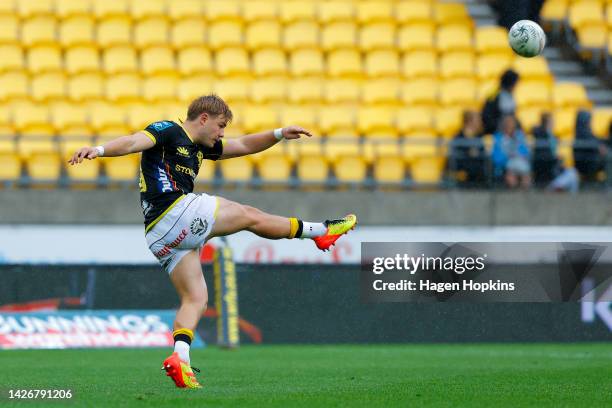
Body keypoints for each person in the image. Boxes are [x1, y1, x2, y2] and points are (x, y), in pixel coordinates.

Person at [68, 94, 357, 389]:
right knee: (249, 215)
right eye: (220, 126)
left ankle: (180, 359)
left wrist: (280, 134)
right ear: (203, 118)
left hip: (158, 235)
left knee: (195, 299)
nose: (222, 133)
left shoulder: (201, 149)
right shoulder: (169, 130)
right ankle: (321, 232)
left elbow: (244, 145)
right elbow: (132, 142)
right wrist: (99, 150)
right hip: (174, 211)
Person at [492, 115, 531, 189]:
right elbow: (496, 156)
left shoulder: (519, 136)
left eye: (511, 124)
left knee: (525, 175)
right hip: (505, 163)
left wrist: (519, 155)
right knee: (511, 174)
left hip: (519, 161)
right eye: (507, 124)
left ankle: (524, 193)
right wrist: (507, 158)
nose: (509, 126)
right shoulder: (498, 138)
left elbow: (525, 152)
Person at [449, 111, 486, 186]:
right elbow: (456, 158)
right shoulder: (458, 137)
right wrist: (469, 153)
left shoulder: (479, 137)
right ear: (469, 122)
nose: (480, 123)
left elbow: (482, 154)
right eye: (478, 121)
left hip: (477, 173)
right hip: (463, 170)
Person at [481, 69, 520, 134]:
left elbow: (513, 116)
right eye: (514, 84)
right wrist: (501, 126)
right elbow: (487, 118)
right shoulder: (493, 97)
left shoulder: (511, 97)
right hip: (496, 132)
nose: (515, 87)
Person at [573, 110, 607, 181]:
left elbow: (595, 139)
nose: (589, 122)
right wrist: (599, 147)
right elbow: (592, 141)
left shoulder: (586, 131)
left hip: (590, 160)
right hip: (586, 163)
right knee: (609, 159)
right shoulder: (582, 132)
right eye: (588, 120)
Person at [531, 112, 560, 184]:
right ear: (546, 123)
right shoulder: (541, 134)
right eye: (551, 121)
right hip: (546, 166)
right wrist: (555, 159)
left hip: (552, 164)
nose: (553, 123)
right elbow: (544, 154)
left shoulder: (552, 135)